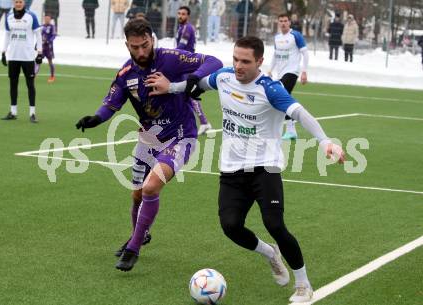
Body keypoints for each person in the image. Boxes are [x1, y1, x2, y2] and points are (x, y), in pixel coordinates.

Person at [146, 36, 345, 303]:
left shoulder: (271, 89)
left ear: (260, 62)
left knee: (274, 223)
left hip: (265, 167)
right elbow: (197, 85)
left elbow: (301, 114)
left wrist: (325, 142)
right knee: (230, 226)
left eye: (245, 61)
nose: (238, 66)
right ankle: (269, 253)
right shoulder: (225, 77)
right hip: (232, 168)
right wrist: (171, 87)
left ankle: (303, 284)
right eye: (236, 59)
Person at [75, 18, 222, 271]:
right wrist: (97, 118)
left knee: (150, 189)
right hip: (148, 138)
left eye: (145, 45)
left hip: (181, 136)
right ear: (127, 46)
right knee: (136, 194)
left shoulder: (171, 58)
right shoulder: (125, 74)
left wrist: (190, 81)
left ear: (152, 40)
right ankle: (139, 235)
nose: (141, 52)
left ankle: (133, 248)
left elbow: (214, 62)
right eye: (135, 47)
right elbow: (112, 103)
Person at [268, 13, 308, 141]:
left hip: (292, 72)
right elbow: (276, 55)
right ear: (278, 23)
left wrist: (304, 71)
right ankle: (291, 131)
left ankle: (288, 130)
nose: (283, 23)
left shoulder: (295, 35)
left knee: (281, 97)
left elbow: (305, 53)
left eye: (285, 21)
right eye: (281, 21)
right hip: (280, 73)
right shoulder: (277, 37)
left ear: (289, 22)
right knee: (283, 99)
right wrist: (270, 70)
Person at [1, 0, 42, 123]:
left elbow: (38, 34)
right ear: (13, 3)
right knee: (13, 84)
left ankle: (32, 113)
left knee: (30, 85)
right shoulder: (8, 17)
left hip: (28, 57)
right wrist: (3, 52)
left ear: (23, 3)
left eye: (20, 1)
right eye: (16, 1)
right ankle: (13, 112)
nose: (18, 4)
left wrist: (39, 53)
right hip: (13, 56)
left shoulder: (31, 16)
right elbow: (7, 35)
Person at [176, 6, 212, 135]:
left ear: (188, 16)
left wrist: (169, 55)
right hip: (183, 64)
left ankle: (203, 122)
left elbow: (181, 47)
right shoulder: (182, 27)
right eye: (179, 13)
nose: (180, 16)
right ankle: (194, 123)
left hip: (187, 64)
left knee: (188, 94)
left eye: (183, 14)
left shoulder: (187, 28)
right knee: (182, 94)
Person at [35, 15, 56, 83]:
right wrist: (36, 44)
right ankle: (34, 75)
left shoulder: (52, 27)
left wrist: (48, 41)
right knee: (38, 61)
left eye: (48, 19)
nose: (47, 20)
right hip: (42, 48)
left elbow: (53, 35)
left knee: (50, 62)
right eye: (46, 19)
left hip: (49, 48)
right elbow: (39, 36)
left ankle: (52, 76)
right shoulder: (42, 27)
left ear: (50, 19)